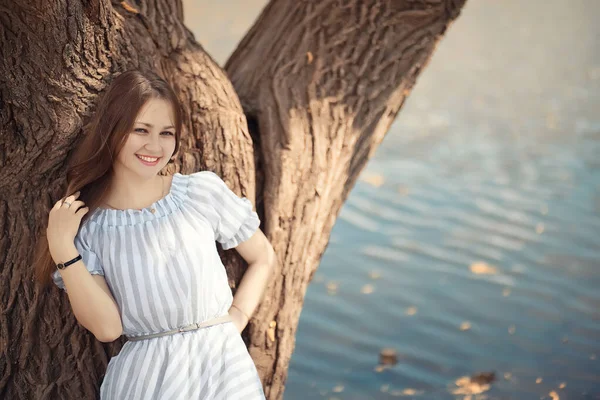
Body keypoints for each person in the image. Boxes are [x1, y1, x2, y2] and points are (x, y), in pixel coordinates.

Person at [33, 69, 275, 399]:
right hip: (148, 378)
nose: (154, 145)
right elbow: (107, 328)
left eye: (166, 133)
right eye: (141, 130)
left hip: (224, 367)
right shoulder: (90, 226)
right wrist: (62, 247)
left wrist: (238, 317)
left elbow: (262, 256)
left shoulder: (200, 193)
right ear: (113, 130)